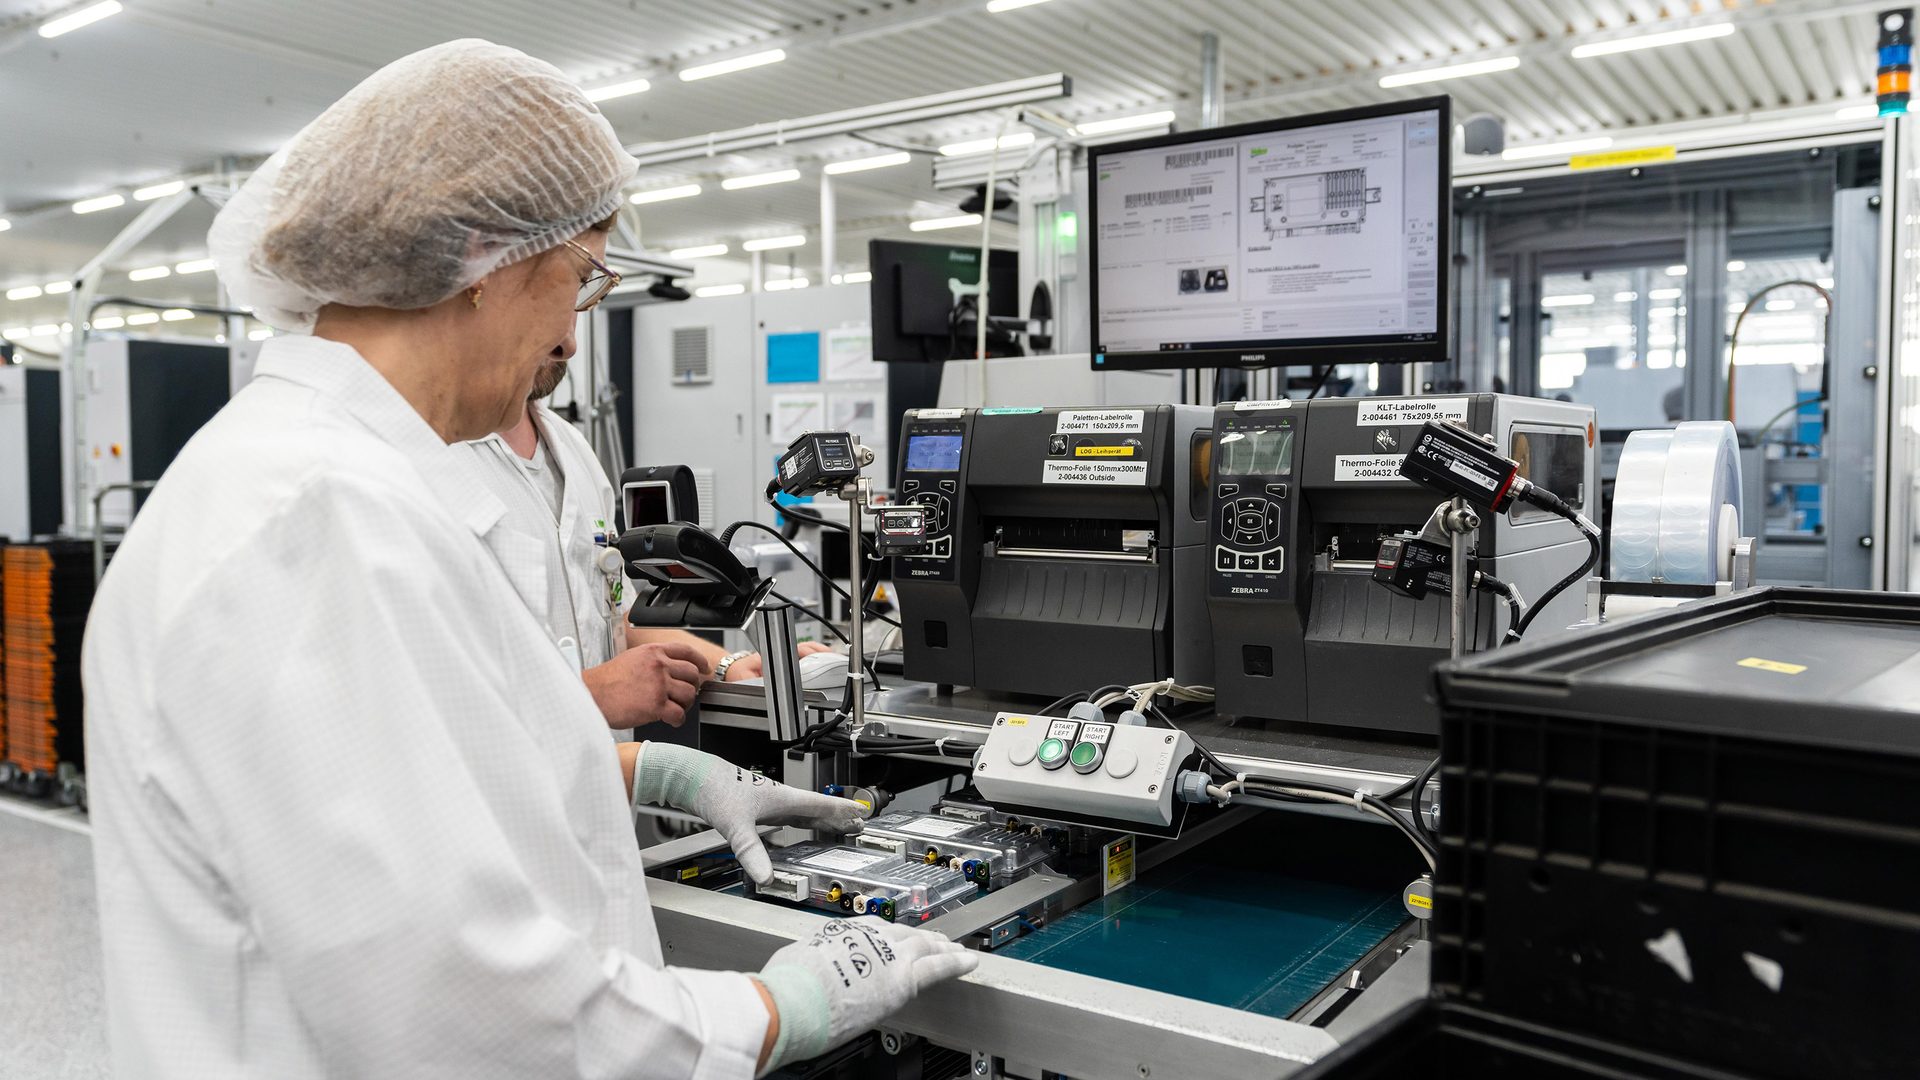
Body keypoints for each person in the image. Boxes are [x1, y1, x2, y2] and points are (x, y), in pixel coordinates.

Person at [81, 40, 973, 1079]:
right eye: (581, 278)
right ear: (487, 259)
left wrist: (670, 772)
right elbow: (457, 1000)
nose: (573, 335)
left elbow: (438, 778)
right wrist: (778, 1007)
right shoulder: (316, 521)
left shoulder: (346, 485)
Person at [461, 362, 831, 734]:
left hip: (605, 761)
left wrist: (729, 666)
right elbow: (444, 690)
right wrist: (590, 695)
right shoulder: (444, 463)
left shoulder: (571, 446)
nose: (568, 346)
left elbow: (617, 616)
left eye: (575, 326)